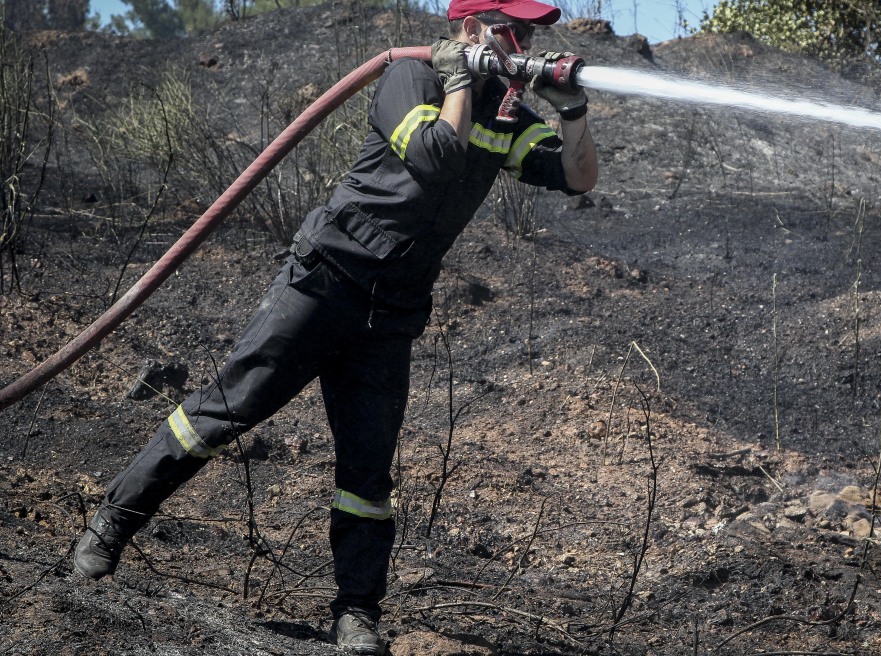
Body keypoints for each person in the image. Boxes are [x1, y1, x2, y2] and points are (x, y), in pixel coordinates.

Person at [72, 0, 597, 652]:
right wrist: (459, 79)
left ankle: (356, 615)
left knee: (368, 477)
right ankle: (110, 526)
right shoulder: (410, 80)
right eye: (517, 30)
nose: (528, 42)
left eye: (536, 32)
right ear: (471, 29)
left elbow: (577, 177)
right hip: (323, 284)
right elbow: (435, 157)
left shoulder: (508, 114)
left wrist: (571, 109)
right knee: (224, 411)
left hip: (391, 315)